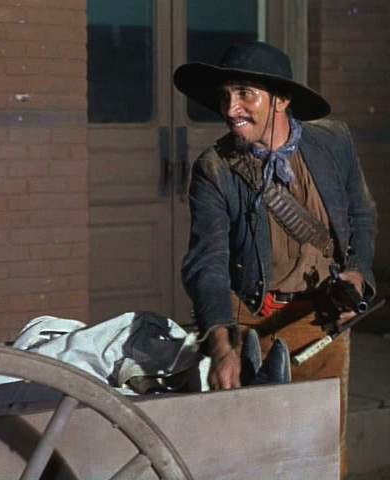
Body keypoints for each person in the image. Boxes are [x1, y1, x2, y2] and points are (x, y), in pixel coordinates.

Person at [174, 41, 376, 477]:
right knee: (250, 457)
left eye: (245, 94)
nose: (231, 109)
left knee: (322, 454)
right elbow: (207, 262)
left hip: (322, 320)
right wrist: (222, 346)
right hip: (249, 323)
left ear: (281, 100)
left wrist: (357, 273)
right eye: (226, 95)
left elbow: (361, 213)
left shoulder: (333, 141)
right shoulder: (216, 167)